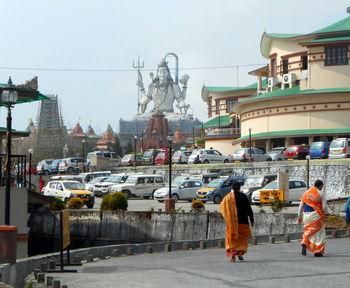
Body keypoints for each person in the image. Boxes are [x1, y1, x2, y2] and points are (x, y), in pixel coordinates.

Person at [220, 181, 254, 262]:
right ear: (239, 188)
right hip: (243, 222)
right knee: (241, 240)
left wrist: (225, 217)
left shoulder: (227, 198)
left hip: (232, 223)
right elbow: (249, 209)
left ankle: (233, 256)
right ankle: (240, 253)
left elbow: (222, 209)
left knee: (232, 240)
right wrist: (252, 220)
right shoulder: (243, 196)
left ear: (232, 188)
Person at [298, 179, 328, 257]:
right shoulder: (321, 193)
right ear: (320, 186)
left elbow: (301, 205)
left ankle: (305, 241)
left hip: (306, 215)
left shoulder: (306, 193)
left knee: (309, 230)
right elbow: (324, 207)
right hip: (316, 215)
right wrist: (326, 214)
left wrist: (299, 215)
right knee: (319, 233)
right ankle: (318, 251)